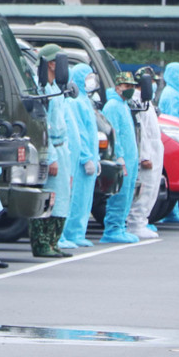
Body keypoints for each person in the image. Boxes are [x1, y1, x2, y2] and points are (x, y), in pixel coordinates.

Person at [30, 46, 72, 257]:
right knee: (49, 197)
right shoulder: (42, 89)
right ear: (51, 64)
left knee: (62, 198)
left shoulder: (56, 88)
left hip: (62, 149)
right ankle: (41, 243)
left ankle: (54, 242)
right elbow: (43, 126)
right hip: (51, 148)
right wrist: (51, 157)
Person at [60, 64, 101, 249]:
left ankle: (77, 232)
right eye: (87, 77)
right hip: (79, 160)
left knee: (84, 198)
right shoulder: (74, 102)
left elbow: (90, 133)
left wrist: (95, 158)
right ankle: (67, 232)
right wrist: (86, 157)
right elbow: (80, 133)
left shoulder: (85, 101)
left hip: (89, 157)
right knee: (75, 197)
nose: (91, 81)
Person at [100, 71, 141, 244]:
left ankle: (121, 227)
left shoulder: (124, 105)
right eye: (126, 86)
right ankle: (113, 229)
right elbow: (113, 133)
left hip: (130, 158)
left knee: (127, 194)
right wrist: (119, 156)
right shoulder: (112, 106)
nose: (130, 89)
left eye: (132, 86)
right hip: (121, 159)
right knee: (119, 194)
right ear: (117, 87)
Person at [156, 62, 179, 224]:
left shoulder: (177, 92)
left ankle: (173, 212)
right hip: (175, 139)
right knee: (173, 175)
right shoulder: (171, 94)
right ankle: (170, 212)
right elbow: (172, 119)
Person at [128, 68, 163, 240]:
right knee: (144, 189)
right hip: (147, 151)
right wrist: (145, 156)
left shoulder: (146, 101)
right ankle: (136, 223)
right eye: (152, 82)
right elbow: (140, 132)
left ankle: (142, 221)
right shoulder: (137, 102)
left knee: (152, 189)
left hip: (154, 149)